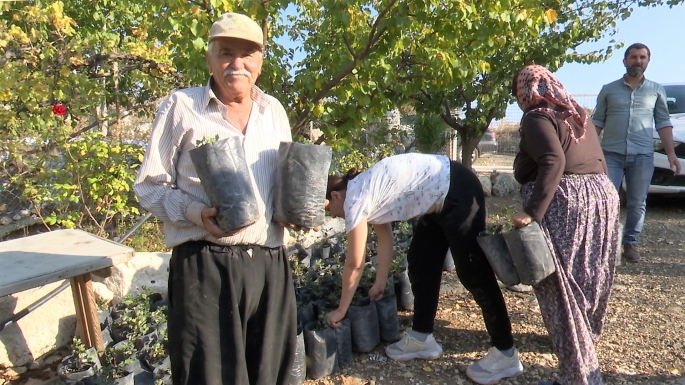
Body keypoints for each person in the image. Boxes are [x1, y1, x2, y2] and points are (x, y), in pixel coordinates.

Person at [134, 12, 297, 385]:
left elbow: (286, 180)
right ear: (209, 57)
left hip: (270, 264)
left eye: (247, 55)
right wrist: (193, 212)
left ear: (260, 62)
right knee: (209, 376)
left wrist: (294, 208)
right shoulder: (182, 107)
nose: (235, 64)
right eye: (225, 53)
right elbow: (148, 186)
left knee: (269, 373)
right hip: (206, 267)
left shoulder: (273, 110)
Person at [325, 153, 524, 385]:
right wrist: (379, 283)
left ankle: (505, 352)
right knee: (421, 260)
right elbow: (385, 238)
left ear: (336, 195)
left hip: (458, 190)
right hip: (440, 197)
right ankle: (422, 337)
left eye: (328, 207)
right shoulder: (365, 189)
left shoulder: (356, 199)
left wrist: (340, 311)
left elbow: (354, 263)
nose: (330, 214)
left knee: (474, 273)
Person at [510, 65, 621, 385]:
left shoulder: (537, 116)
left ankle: (578, 377)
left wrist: (532, 211)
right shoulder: (575, 113)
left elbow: (553, 161)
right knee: (587, 280)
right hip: (601, 196)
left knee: (561, 290)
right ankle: (583, 350)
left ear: (525, 89)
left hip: (568, 203)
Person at [592, 42, 681, 263]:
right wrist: (590, 152)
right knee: (608, 201)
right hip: (610, 155)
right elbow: (596, 122)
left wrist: (671, 154)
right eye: (633, 57)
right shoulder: (608, 89)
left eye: (642, 57)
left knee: (637, 202)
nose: (638, 61)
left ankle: (630, 244)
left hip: (642, 156)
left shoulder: (656, 90)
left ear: (648, 61)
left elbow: (663, 123)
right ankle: (608, 244)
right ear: (625, 61)